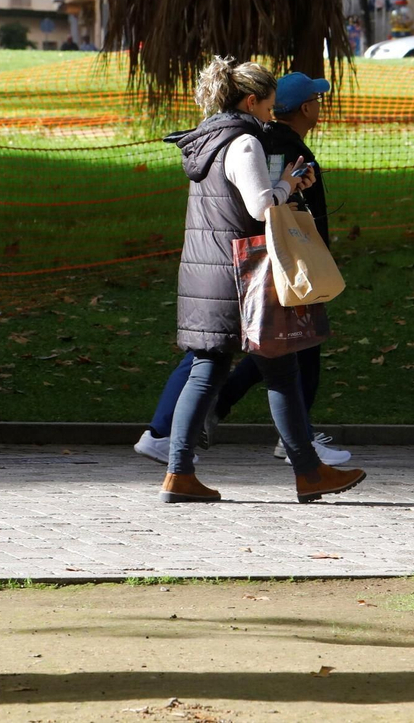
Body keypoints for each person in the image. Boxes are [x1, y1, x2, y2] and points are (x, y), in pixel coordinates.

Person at [160, 57, 366, 504]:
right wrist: (290, 184)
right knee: (280, 368)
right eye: (270, 107)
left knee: (209, 368)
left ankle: (179, 474)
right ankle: (308, 473)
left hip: (206, 269)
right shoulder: (244, 143)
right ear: (251, 101)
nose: (273, 116)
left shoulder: (207, 140)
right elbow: (259, 206)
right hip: (242, 273)